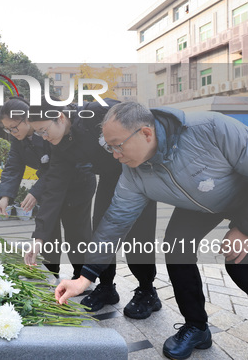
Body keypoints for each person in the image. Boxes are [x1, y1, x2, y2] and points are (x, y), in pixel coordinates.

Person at [55, 102, 248, 360]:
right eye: (109, 147)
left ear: (146, 133)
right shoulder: (132, 173)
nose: (114, 155)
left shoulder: (211, 128)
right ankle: (196, 327)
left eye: (118, 145)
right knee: (176, 246)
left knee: (247, 272)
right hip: (201, 202)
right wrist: (85, 277)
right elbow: (115, 221)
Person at [26, 99, 160, 319]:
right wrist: (39, 236)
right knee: (100, 231)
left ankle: (147, 290)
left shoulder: (95, 112)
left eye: (44, 130)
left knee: (138, 235)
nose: (44, 137)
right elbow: (54, 190)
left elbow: (132, 116)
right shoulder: (59, 145)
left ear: (59, 117)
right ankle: (106, 287)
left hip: (136, 172)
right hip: (110, 178)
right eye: (39, 133)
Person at [0, 97, 96, 279]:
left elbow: (59, 168)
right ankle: (50, 271)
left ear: (27, 119)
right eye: (7, 129)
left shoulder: (51, 130)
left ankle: (81, 276)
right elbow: (13, 166)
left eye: (13, 128)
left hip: (77, 185)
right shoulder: (19, 140)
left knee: (76, 233)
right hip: (50, 189)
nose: (11, 132)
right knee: (48, 230)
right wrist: (5, 196)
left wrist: (36, 191)